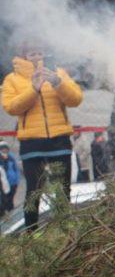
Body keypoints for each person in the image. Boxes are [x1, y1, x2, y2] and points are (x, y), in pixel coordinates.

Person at [1, 44, 84, 230]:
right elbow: (11, 107)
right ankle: (32, 234)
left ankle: (65, 230)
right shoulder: (12, 79)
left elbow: (76, 99)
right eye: (32, 53)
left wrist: (58, 83)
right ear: (23, 56)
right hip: (31, 142)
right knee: (34, 191)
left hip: (59, 139)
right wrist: (33, 89)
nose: (37, 57)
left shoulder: (58, 73)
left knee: (63, 188)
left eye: (40, 52)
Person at [0, 141, 20, 216]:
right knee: (5, 199)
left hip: (13, 182)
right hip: (4, 184)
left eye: (5, 148)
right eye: (2, 148)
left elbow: (16, 169)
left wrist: (17, 180)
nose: (4, 150)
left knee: (11, 198)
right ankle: (4, 213)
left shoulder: (11, 157)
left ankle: (11, 213)